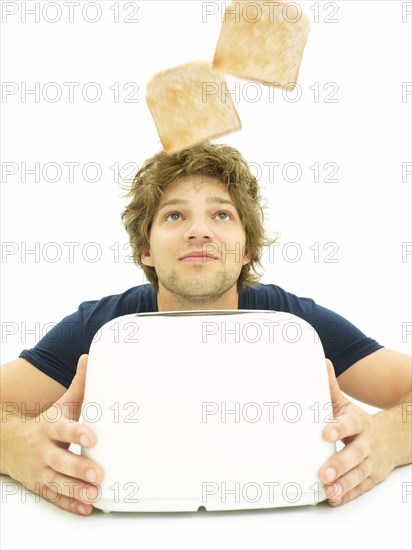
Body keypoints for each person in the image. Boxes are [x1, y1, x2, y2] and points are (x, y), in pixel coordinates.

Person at [1, 143, 411, 516]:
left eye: (221, 214)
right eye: (175, 215)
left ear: (247, 247)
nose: (199, 231)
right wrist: (14, 447)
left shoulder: (297, 325)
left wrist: (390, 438)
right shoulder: (100, 327)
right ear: (146, 249)